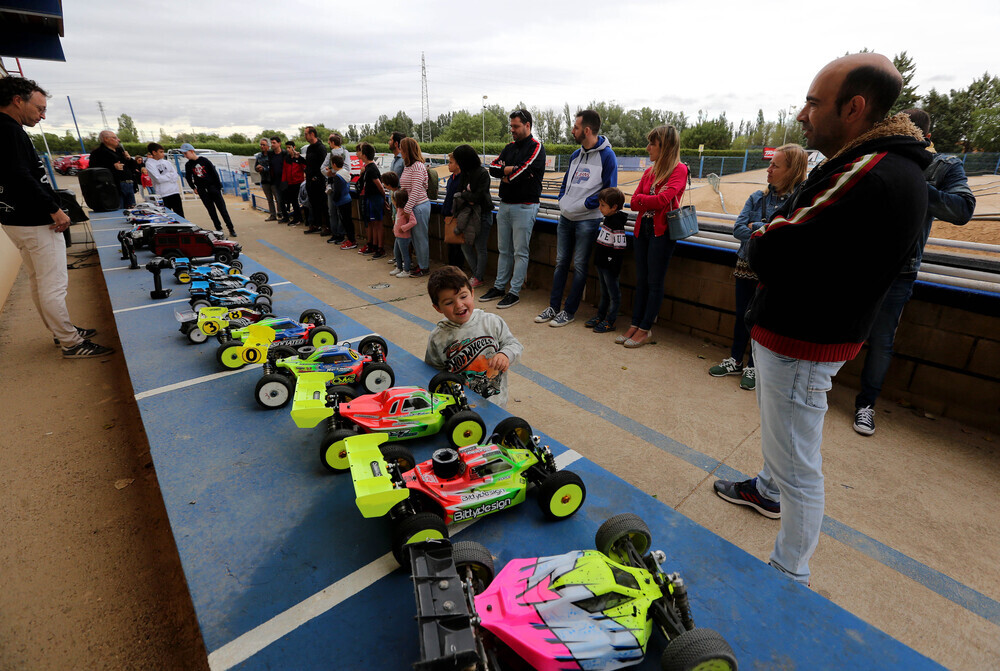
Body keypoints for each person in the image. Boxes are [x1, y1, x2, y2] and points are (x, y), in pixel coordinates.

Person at [713, 53, 933, 587]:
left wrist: (762, 234)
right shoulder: (880, 163)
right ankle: (766, 491)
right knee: (786, 447)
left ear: (854, 108)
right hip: (810, 332)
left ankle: (790, 573)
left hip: (802, 339)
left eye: (814, 102)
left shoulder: (868, 169)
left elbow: (774, 244)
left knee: (798, 467)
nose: (802, 114)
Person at [852, 108, 976, 435]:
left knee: (880, 341)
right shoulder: (876, 155)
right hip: (858, 264)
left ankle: (866, 405)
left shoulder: (944, 165)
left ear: (925, 138)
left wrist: (911, 183)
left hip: (899, 272)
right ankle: (816, 389)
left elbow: (963, 209)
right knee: (836, 323)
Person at [0, 77, 114, 358]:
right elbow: (21, 177)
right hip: (35, 220)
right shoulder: (10, 131)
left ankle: (62, 331)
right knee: (53, 285)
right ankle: (71, 342)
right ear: (18, 100)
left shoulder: (4, 129)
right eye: (39, 109)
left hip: (16, 220)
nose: (42, 115)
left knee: (40, 281)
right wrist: (53, 208)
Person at [708, 144, 808, 391]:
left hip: (773, 273)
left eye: (776, 165)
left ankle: (754, 366)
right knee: (743, 314)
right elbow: (738, 229)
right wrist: (764, 230)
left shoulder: (799, 201)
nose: (769, 169)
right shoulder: (757, 197)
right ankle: (735, 359)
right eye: (770, 163)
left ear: (792, 169)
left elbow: (789, 237)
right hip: (745, 265)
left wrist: (756, 228)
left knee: (762, 320)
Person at [537, 110, 618, 327]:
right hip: (565, 218)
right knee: (560, 262)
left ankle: (569, 311)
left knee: (580, 265)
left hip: (587, 221)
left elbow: (609, 191)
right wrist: (563, 201)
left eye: (576, 127)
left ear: (587, 130)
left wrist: (583, 205)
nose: (573, 130)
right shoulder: (575, 155)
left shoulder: (607, 156)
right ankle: (553, 307)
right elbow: (565, 184)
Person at [617, 125, 688, 348]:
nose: (648, 148)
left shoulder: (679, 170)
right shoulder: (650, 172)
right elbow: (634, 200)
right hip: (643, 230)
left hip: (662, 233)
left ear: (665, 147)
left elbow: (658, 201)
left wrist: (645, 200)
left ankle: (645, 328)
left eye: (652, 144)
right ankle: (635, 324)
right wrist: (649, 200)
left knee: (654, 281)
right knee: (642, 280)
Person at [425, 265, 523, 408]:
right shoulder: (438, 337)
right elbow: (433, 373)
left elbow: (514, 344)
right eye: (449, 302)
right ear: (438, 307)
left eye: (463, 296)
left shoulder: (491, 322)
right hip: (459, 406)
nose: (459, 305)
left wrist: (505, 354)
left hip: (496, 403)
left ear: (472, 293)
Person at [482, 109, 546, 309]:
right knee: (504, 250)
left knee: (520, 252)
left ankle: (514, 291)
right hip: (506, 204)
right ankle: (500, 287)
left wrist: (509, 173)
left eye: (516, 126)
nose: (512, 130)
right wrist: (508, 171)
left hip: (525, 206)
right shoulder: (509, 147)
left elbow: (524, 171)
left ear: (528, 125)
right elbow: (492, 168)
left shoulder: (536, 147)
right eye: (511, 126)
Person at [585, 187, 628, 333]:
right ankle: (600, 316)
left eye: (603, 205)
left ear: (614, 207)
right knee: (604, 293)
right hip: (601, 263)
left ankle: (610, 321)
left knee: (613, 294)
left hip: (610, 267)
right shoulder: (608, 220)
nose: (600, 208)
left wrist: (613, 265)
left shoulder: (617, 224)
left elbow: (620, 248)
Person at [451, 144, 494, 287]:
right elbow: (459, 193)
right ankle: (477, 275)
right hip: (467, 216)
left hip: (482, 215)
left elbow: (478, 197)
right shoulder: (465, 173)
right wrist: (466, 196)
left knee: (480, 247)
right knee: (465, 246)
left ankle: (478, 276)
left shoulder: (482, 173)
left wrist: (464, 195)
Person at [181, 143, 236, 237]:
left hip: (213, 188)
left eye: (186, 153)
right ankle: (218, 229)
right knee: (211, 211)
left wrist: (218, 187)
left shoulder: (204, 161)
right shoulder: (188, 165)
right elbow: (188, 177)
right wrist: (193, 187)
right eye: (184, 154)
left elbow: (214, 173)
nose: (185, 156)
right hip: (202, 190)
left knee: (222, 210)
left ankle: (231, 228)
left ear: (191, 151)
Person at [399, 137, 431, 274]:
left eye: (401, 148)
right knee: (416, 239)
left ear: (407, 150)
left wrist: (407, 209)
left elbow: (416, 189)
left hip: (418, 207)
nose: (400, 150)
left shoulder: (417, 166)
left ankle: (424, 267)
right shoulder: (408, 166)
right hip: (413, 207)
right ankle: (421, 265)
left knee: (420, 238)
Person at [88, 130, 138, 209]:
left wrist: (129, 158)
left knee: (132, 209)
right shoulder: (98, 153)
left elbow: (134, 167)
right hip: (114, 187)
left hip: (128, 184)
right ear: (106, 139)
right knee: (119, 210)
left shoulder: (120, 151)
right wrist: (113, 167)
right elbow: (95, 171)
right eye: (115, 138)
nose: (118, 140)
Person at [355, 142, 386, 258]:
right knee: (372, 223)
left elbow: (380, 186)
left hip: (375, 199)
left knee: (378, 224)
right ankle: (373, 245)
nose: (358, 153)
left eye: (360, 151)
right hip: (370, 198)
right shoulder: (367, 168)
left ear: (364, 154)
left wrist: (384, 200)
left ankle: (380, 248)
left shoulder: (372, 169)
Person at [300, 126, 329, 235]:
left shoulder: (321, 148)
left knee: (322, 204)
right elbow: (309, 163)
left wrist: (316, 177)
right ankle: (315, 224)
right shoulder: (309, 148)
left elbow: (323, 165)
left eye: (306, 134)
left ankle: (326, 226)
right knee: (312, 204)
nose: (305, 136)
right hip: (309, 181)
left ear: (312, 134)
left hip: (318, 182)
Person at [322, 133, 351, 242]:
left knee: (334, 211)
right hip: (336, 184)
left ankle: (337, 234)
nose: (328, 143)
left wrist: (331, 172)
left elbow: (323, 169)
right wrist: (335, 172)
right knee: (337, 211)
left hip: (338, 184)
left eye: (329, 142)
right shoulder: (341, 153)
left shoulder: (333, 154)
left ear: (333, 142)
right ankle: (339, 234)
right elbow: (347, 168)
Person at [143, 142, 183, 216]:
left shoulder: (166, 162)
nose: (163, 154)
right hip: (163, 195)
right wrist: (170, 175)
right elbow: (158, 179)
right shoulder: (149, 164)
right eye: (160, 152)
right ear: (154, 152)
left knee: (180, 215)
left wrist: (167, 177)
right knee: (167, 216)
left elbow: (176, 175)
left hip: (174, 192)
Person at [327, 153, 355, 247]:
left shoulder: (338, 176)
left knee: (346, 221)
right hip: (347, 199)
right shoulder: (345, 172)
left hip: (342, 201)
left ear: (334, 164)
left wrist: (335, 200)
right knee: (347, 221)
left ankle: (352, 240)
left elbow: (337, 191)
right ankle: (350, 239)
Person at [390, 189, 416, 278]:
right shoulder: (399, 209)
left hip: (404, 237)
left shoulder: (407, 210)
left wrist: (403, 228)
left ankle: (406, 270)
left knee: (405, 254)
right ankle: (399, 267)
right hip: (398, 236)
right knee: (396, 252)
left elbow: (413, 222)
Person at [281, 140, 305, 225]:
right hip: (290, 183)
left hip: (298, 182)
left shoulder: (298, 157)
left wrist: (299, 158)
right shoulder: (286, 159)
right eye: (287, 148)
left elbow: (304, 167)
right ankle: (298, 218)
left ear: (294, 147)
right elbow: (284, 170)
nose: (288, 149)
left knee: (299, 201)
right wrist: (284, 181)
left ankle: (298, 218)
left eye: (289, 147)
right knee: (293, 201)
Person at [254, 138, 278, 221]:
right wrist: (258, 168)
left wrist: (264, 169)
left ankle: (281, 214)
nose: (262, 146)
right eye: (261, 144)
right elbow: (255, 167)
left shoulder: (272, 154)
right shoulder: (259, 156)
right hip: (264, 180)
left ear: (268, 146)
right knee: (269, 199)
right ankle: (273, 215)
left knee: (277, 198)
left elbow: (273, 167)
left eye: (263, 145)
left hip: (273, 180)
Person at [267, 136, 286, 222]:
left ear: (279, 143)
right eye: (271, 143)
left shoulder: (285, 154)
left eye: (274, 143)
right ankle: (284, 216)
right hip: (275, 180)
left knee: (288, 199)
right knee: (279, 199)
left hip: (285, 180)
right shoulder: (271, 154)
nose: (272, 145)